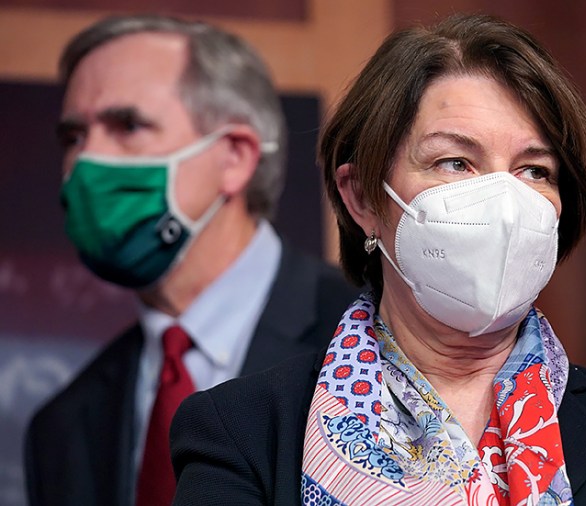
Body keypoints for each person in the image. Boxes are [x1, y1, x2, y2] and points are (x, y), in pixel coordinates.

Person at [171, 13, 586, 505]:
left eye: (535, 171)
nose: (504, 202)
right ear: (362, 196)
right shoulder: (243, 434)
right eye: (455, 162)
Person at [24, 14, 358, 506]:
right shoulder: (63, 426)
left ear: (235, 157)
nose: (84, 163)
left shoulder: (372, 341)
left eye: (127, 125)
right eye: (73, 137)